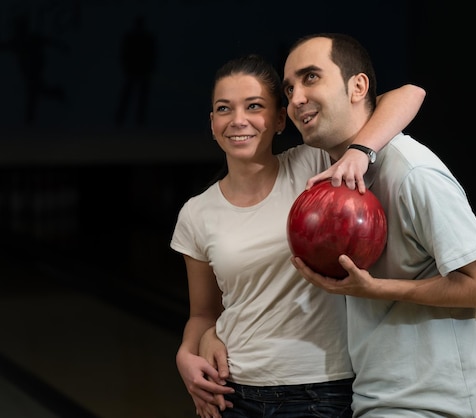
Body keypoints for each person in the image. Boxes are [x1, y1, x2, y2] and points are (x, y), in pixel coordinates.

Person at [171, 53, 426, 418]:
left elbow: (410, 94)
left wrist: (358, 151)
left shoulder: (316, 163)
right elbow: (203, 314)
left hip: (321, 391)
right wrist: (186, 353)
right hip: (231, 392)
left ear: (279, 119)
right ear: (212, 122)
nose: (238, 120)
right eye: (224, 109)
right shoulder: (196, 213)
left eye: (254, 106)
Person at [281, 33, 476, 417]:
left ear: (358, 86)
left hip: (434, 407)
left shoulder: (412, 172)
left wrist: (374, 289)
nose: (296, 98)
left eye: (311, 77)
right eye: (288, 89)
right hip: (376, 398)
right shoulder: (329, 171)